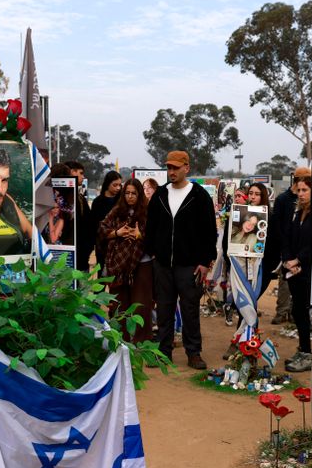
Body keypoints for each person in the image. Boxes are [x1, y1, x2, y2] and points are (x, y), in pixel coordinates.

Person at [143, 151, 217, 369]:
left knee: (190, 309)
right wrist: (154, 252)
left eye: (176, 167)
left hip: (190, 265)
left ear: (187, 168)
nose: (172, 172)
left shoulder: (199, 195)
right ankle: (163, 352)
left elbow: (209, 231)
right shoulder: (160, 195)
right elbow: (151, 227)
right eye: (169, 168)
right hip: (163, 264)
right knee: (164, 310)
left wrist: (205, 261)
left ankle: (193, 352)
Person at [99, 179, 152, 343]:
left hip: (141, 263)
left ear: (139, 194)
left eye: (134, 193)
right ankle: (121, 343)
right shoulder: (117, 210)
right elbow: (102, 229)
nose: (130, 197)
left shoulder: (147, 211)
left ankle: (142, 345)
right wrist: (118, 233)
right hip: (119, 266)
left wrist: (140, 236)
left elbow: (155, 236)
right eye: (127, 193)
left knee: (141, 306)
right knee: (118, 305)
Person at [281, 175, 312, 372]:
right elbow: (286, 237)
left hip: (307, 271)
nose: (300, 194)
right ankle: (303, 349)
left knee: (301, 311)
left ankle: (307, 354)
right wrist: (287, 259)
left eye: (304, 190)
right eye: (298, 190)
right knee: (297, 311)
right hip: (293, 271)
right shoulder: (296, 212)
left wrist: (298, 260)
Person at [266, 167, 309, 324]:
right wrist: (285, 250)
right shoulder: (283, 199)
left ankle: (293, 312)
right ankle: (282, 311)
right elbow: (277, 226)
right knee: (285, 281)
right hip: (286, 248)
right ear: (296, 180)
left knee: (300, 285)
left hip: (303, 250)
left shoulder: (308, 200)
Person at [90, 171, 124, 271]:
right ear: (107, 184)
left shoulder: (121, 201)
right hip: (102, 244)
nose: (118, 188)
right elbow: (94, 224)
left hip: (119, 244)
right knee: (102, 276)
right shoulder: (97, 202)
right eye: (115, 185)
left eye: (120, 185)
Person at [63, 161, 94, 271]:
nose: (83, 176)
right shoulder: (62, 199)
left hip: (81, 254)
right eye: (80, 173)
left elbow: (88, 224)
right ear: (72, 172)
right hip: (68, 253)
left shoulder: (80, 198)